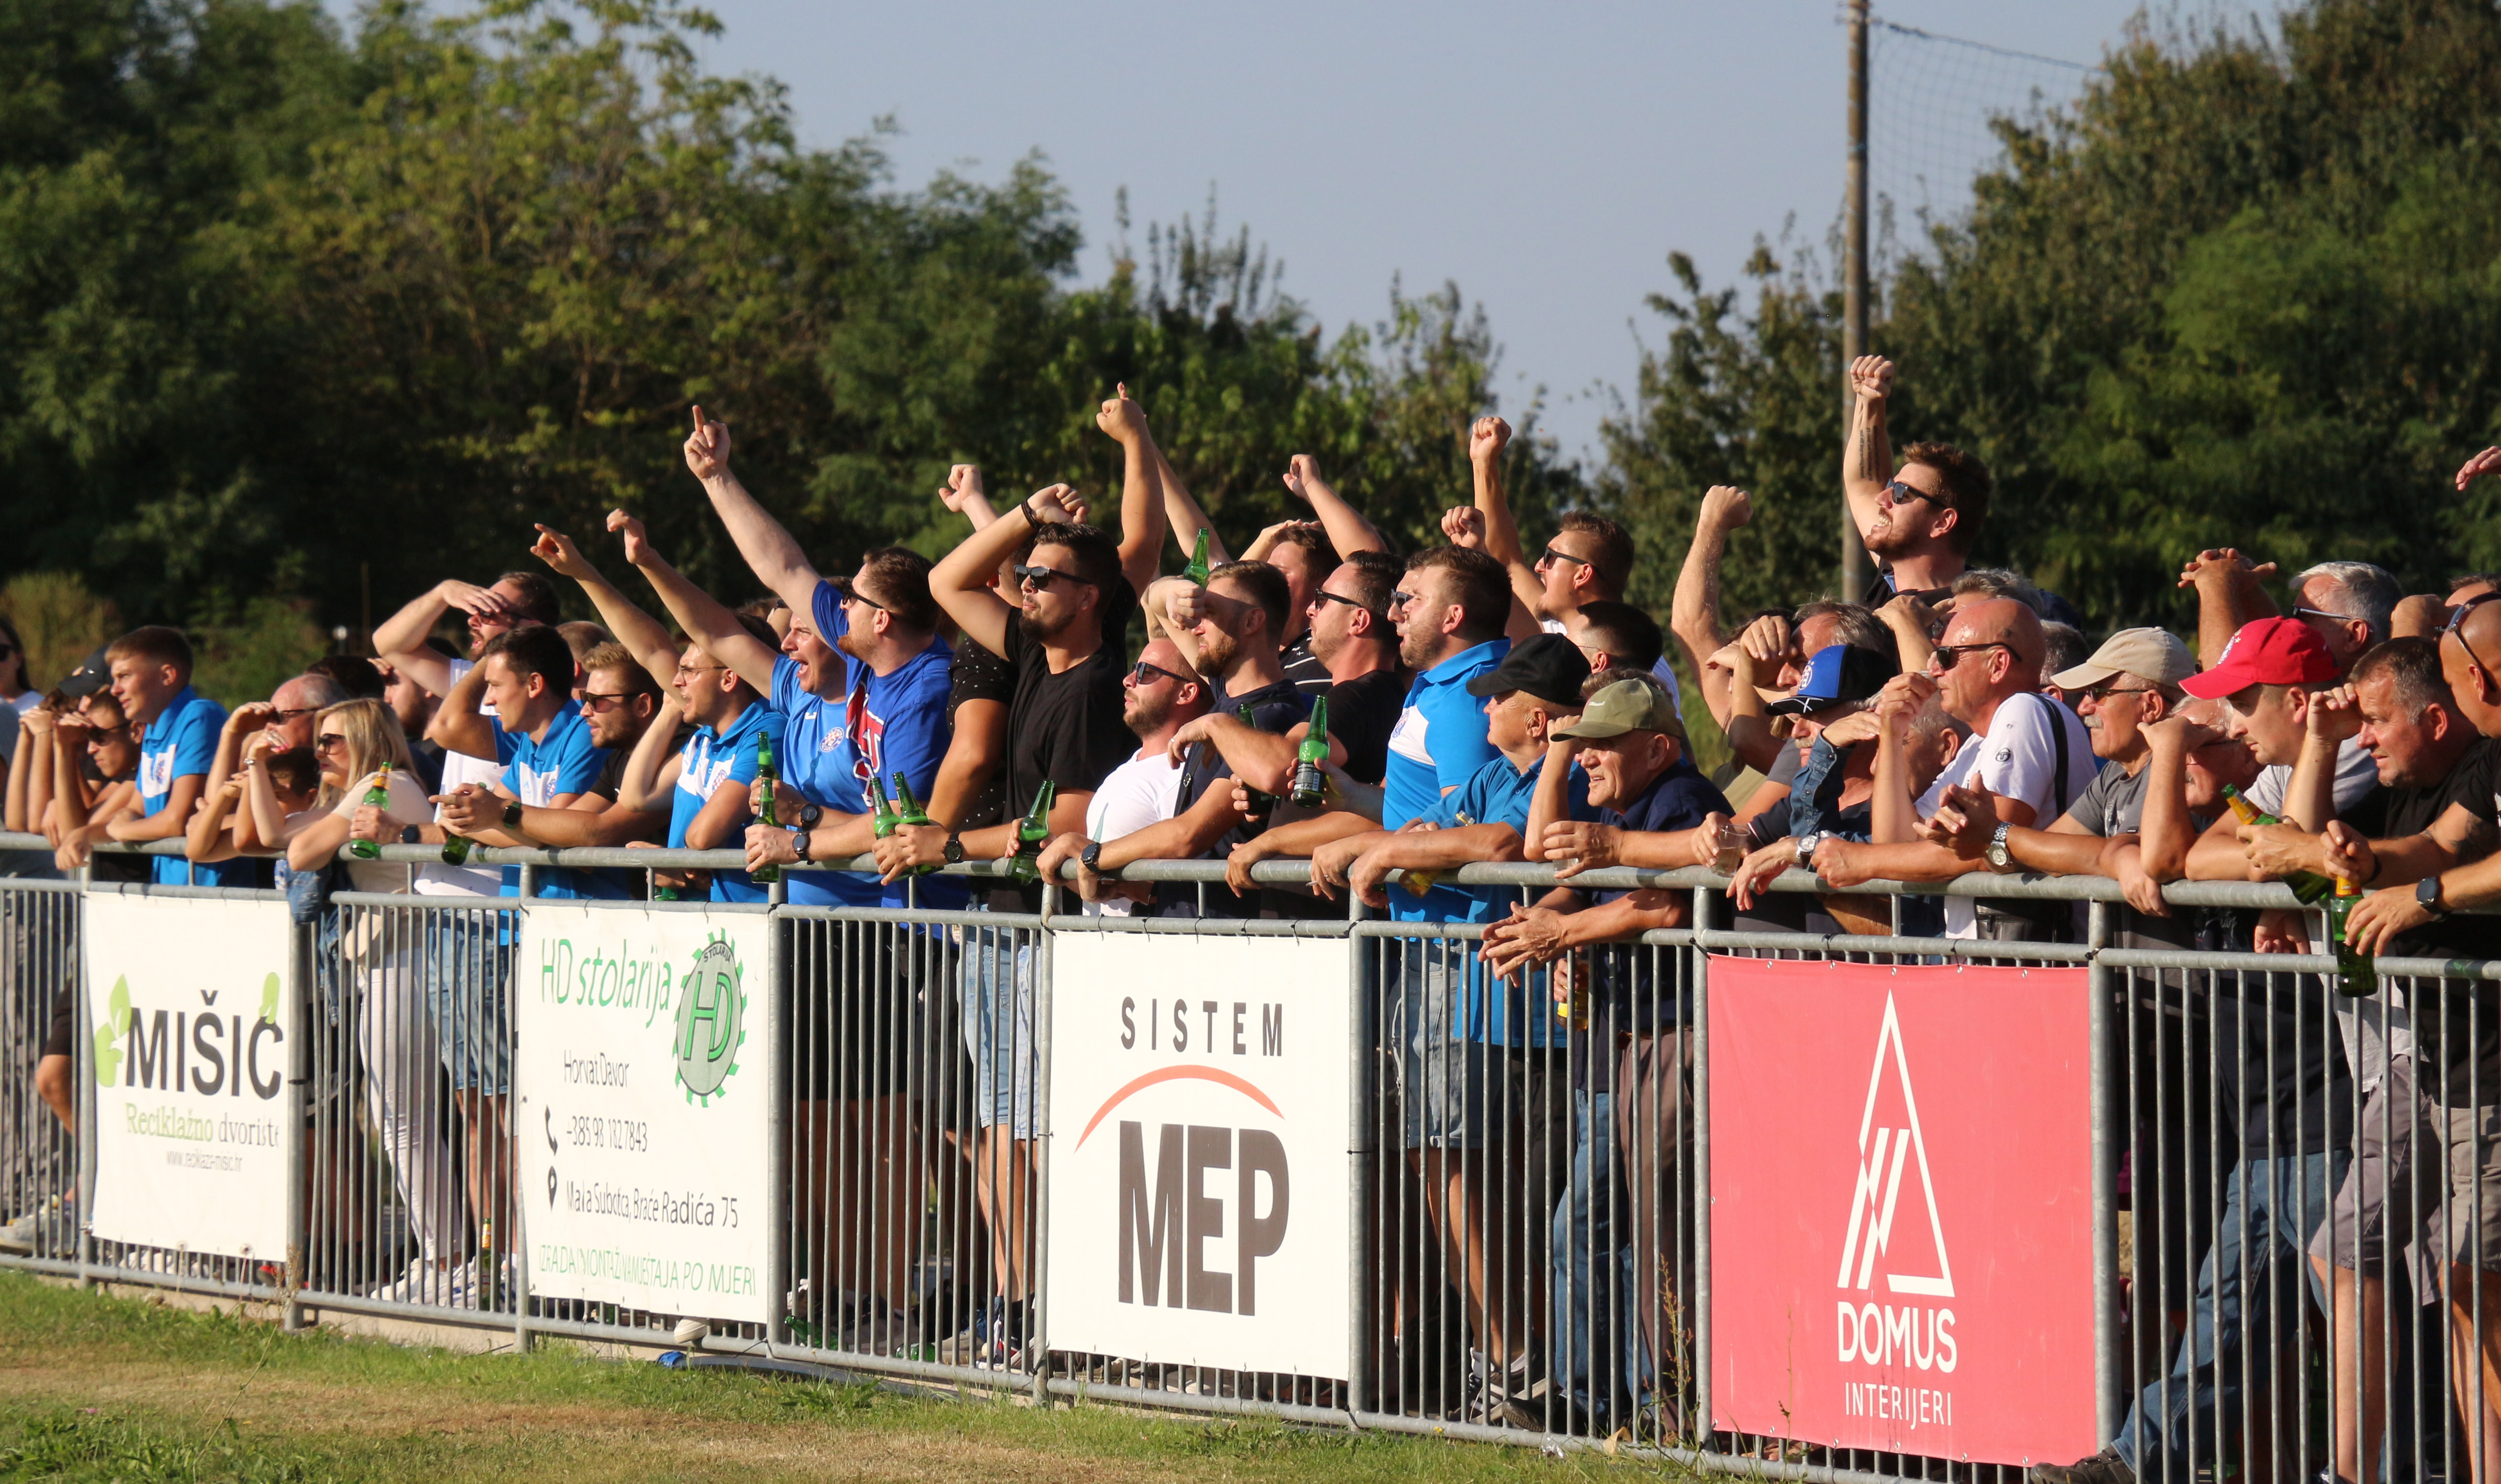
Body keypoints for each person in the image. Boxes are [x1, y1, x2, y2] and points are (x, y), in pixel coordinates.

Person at [879, 393, 1167, 1369]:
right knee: (1003, 1125)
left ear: (1088, 598)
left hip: (1050, 932)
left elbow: (1064, 826)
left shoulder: (1094, 687)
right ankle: (1016, 1306)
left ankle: (1058, 1311)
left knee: (1040, 1128)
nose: (1026, 585)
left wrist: (947, 845)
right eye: (1027, 575)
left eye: (1045, 577)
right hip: (1000, 925)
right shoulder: (1032, 653)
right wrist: (1022, 519)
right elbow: (948, 578)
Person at [1312, 633, 1593, 1426]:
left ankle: (1529, 1372)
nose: (1485, 705)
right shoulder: (1495, 774)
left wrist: (1386, 854)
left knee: (1520, 1207)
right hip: (1483, 1014)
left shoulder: (1569, 773)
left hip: (1538, 1026)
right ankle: (1501, 1366)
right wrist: (1366, 847)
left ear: (1540, 719)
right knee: (1455, 1180)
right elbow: (1424, 829)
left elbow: (1507, 845)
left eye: (1500, 696)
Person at [1484, 673, 1732, 1432]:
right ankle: (1612, 1401)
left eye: (1602, 745)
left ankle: (1653, 1406)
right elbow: (1583, 881)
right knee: (1615, 1233)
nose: (1587, 757)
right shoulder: (1628, 806)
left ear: (1657, 748)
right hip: (1633, 1046)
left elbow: (1664, 901)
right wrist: (1550, 927)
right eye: (1581, 744)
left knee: (1642, 1234)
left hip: (1674, 1040)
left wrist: (1564, 932)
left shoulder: (1681, 798)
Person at [280, 699, 473, 1305]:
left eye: (331, 741)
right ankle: (439, 1256)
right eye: (318, 741)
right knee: (399, 1118)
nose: (319, 752)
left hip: (404, 957)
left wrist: (320, 825)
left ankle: (447, 1262)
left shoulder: (383, 785)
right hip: (388, 958)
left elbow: (299, 854)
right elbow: (275, 836)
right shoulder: (364, 791)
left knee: (403, 1119)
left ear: (365, 740)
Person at [1811, 599, 2098, 941]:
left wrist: (1863, 861)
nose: (1934, 669)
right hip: (1998, 955)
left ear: (1998, 664)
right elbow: (1898, 841)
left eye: (1946, 656)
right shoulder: (1978, 743)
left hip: (2039, 958)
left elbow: (1984, 849)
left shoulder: (2025, 710)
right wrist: (1892, 732)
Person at [1466, 414, 1681, 713]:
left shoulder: (1635, 664)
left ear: (1582, 575)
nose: (1539, 566)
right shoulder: (1563, 632)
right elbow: (1508, 562)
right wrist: (1483, 464)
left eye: (1551, 557)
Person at [1032, 638, 1212, 915]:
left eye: (1146, 672)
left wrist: (1089, 856)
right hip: (1102, 940)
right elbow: (1106, 894)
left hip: (1148, 941)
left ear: (1186, 693)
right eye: (1133, 669)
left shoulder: (1184, 773)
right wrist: (1059, 859)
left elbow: (1183, 891)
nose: (1129, 680)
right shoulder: (1126, 769)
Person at [101, 626, 256, 887]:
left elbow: (176, 820)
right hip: (173, 886)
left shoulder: (200, 716)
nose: (115, 690)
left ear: (167, 676)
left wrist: (120, 830)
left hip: (211, 889)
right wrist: (98, 831)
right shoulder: (152, 728)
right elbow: (136, 809)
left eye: (124, 676)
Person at [1841, 357, 1990, 604]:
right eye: (1891, 487)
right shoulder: (1892, 574)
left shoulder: (1976, 611)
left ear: (1942, 522)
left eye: (1901, 493)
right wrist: (1869, 400)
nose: (1881, 498)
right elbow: (1864, 485)